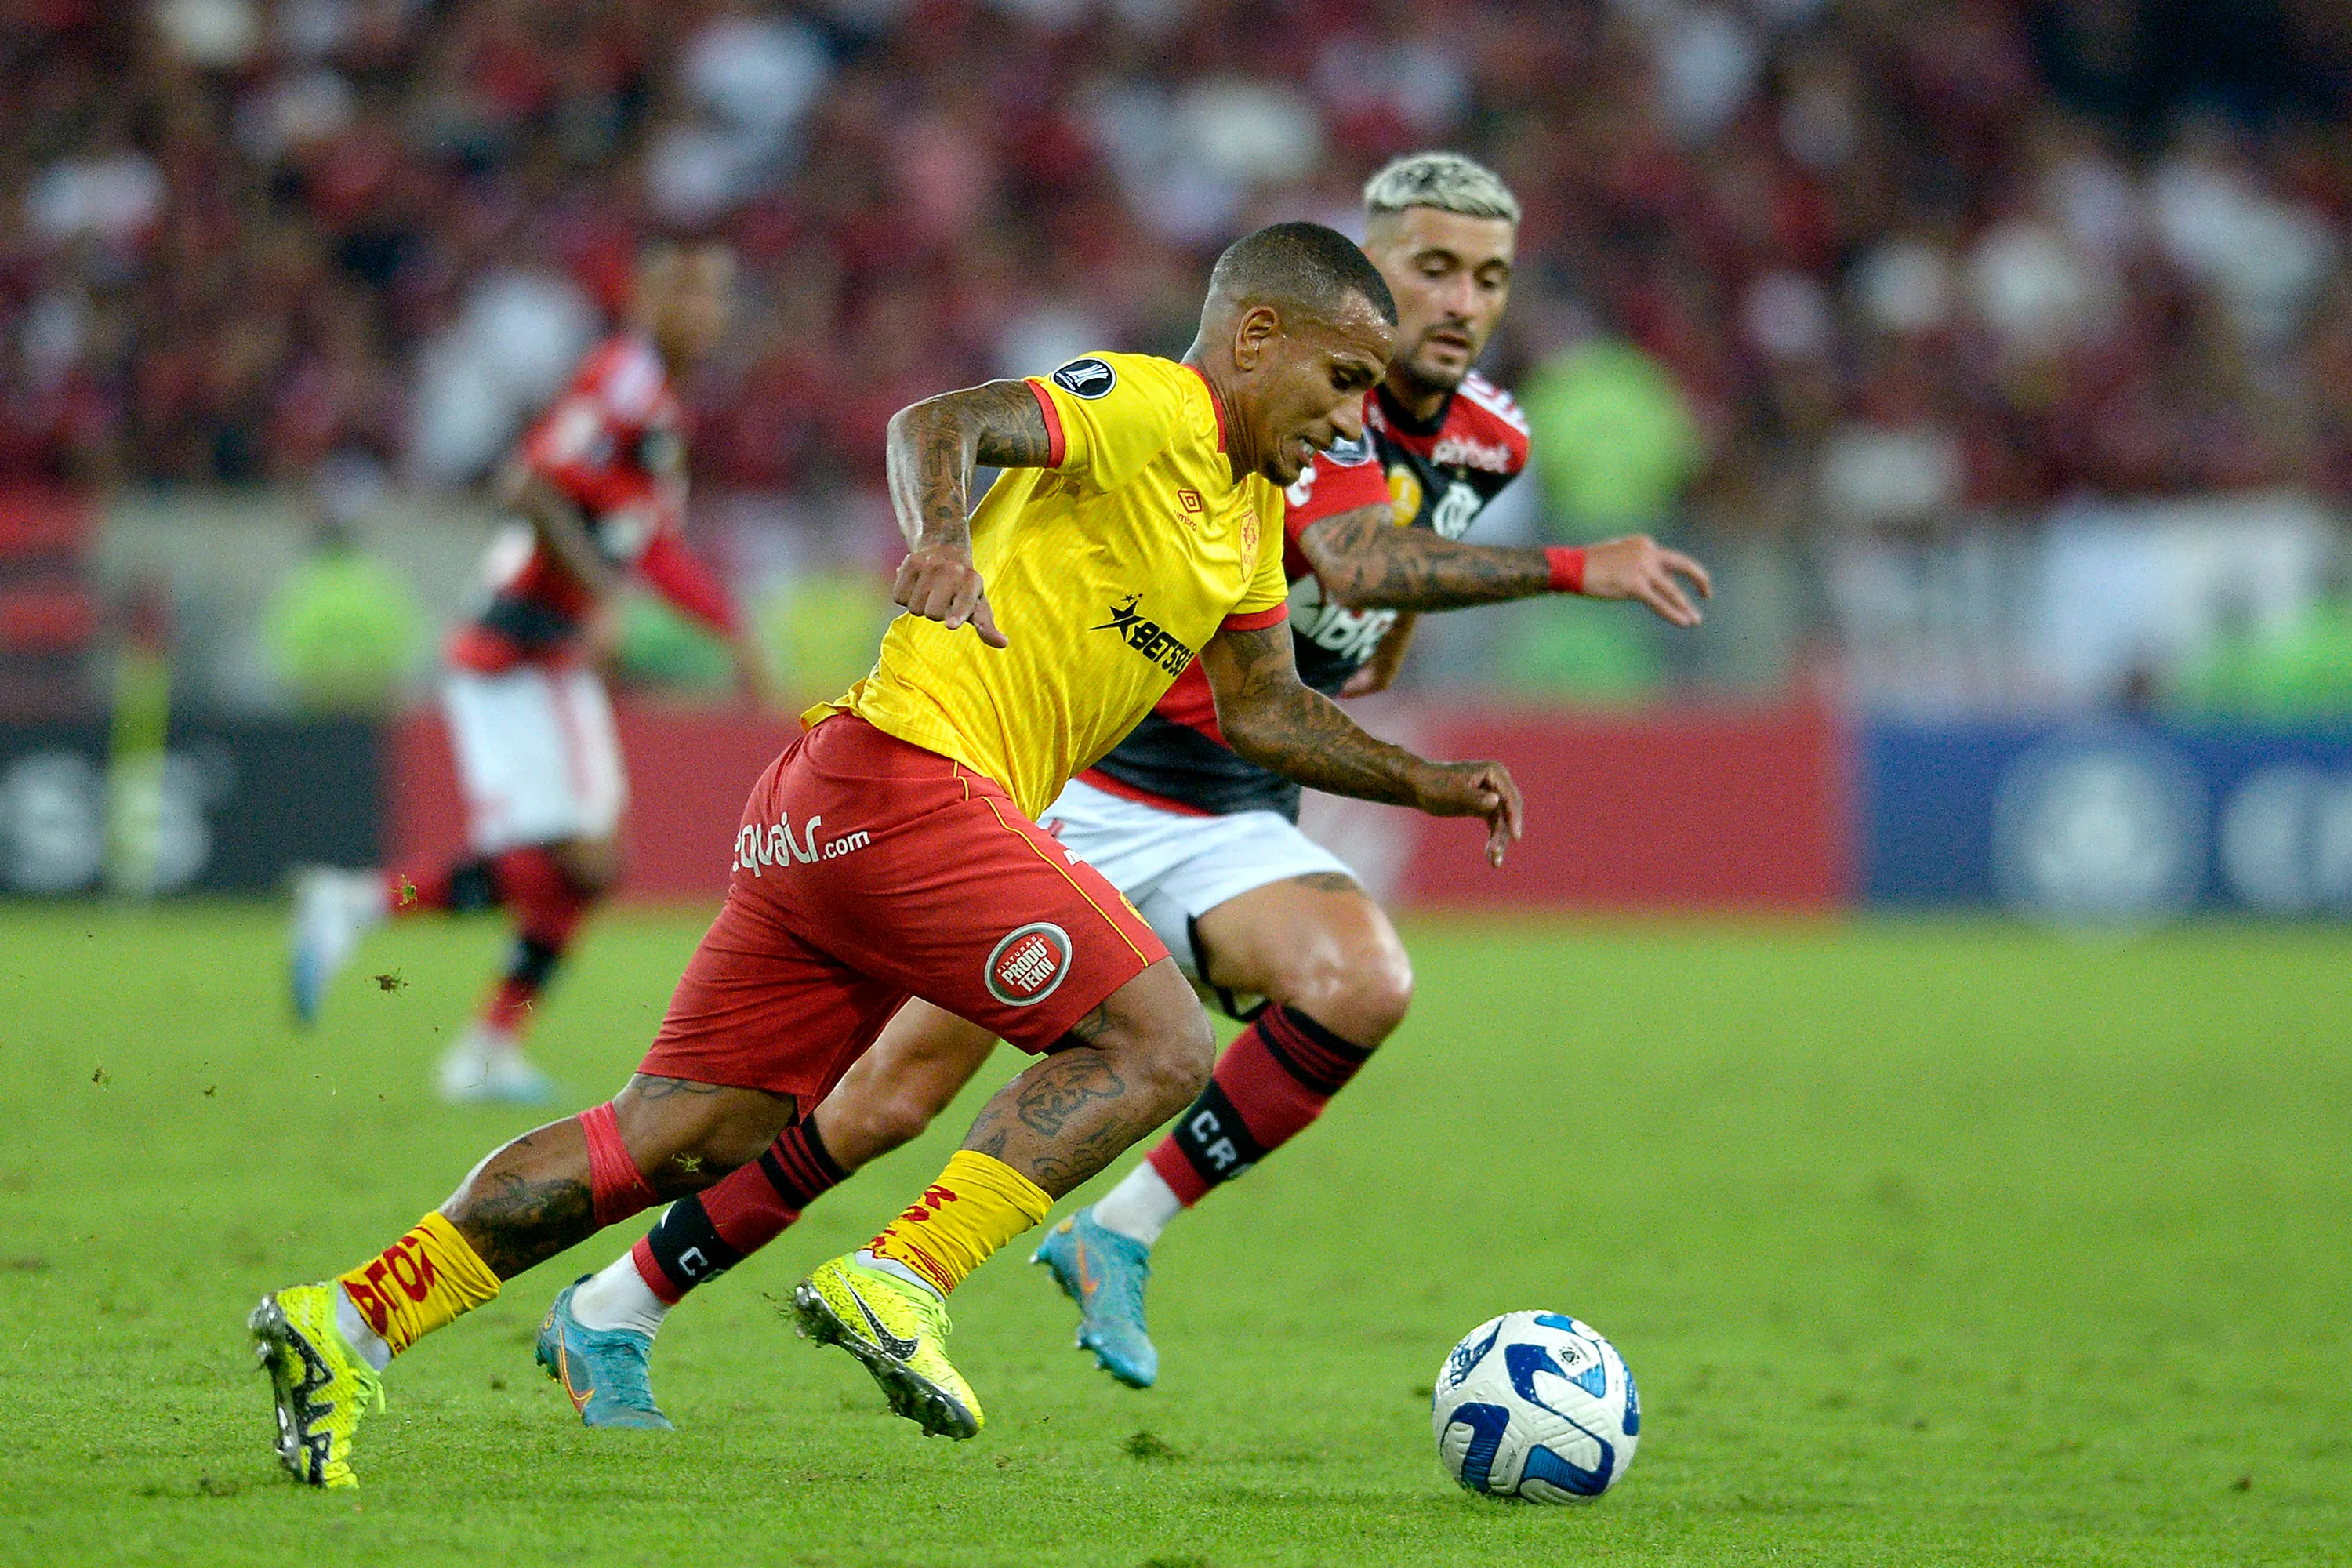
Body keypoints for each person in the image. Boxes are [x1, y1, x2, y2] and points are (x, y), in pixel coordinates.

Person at [250, 220, 1524, 1487]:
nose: (1354, 420)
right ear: (1257, 336)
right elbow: (937, 423)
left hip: (840, 808)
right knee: (1159, 1041)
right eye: (1341, 380)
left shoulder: (1248, 514)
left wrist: (1427, 781)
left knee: (682, 1138)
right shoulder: (1154, 406)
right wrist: (943, 538)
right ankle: (902, 1276)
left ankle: (347, 1321)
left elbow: (1263, 712)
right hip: (914, 781)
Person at [541, 153, 1711, 1426]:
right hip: (1087, 774)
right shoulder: (1297, 405)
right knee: (888, 1099)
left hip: (1236, 796)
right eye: (1429, 267)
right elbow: (1358, 558)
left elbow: (1341, 632)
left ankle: (1121, 1230)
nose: (1459, 302)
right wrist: (1571, 567)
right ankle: (616, 1306)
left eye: (1487, 277)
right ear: (1365, 271)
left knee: (1363, 980)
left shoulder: (1488, 434)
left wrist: (1398, 699)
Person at [287, 241, 779, 1103]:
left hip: (545, 653)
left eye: (718, 301)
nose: (708, 316)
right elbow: (528, 487)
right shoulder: (625, 382)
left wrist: (729, 628)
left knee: (581, 868)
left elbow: (652, 544)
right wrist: (602, 595)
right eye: (690, 298)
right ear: (649, 303)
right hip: (522, 646)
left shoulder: (657, 403)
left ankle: (478, 1040)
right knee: (582, 858)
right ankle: (370, 907)